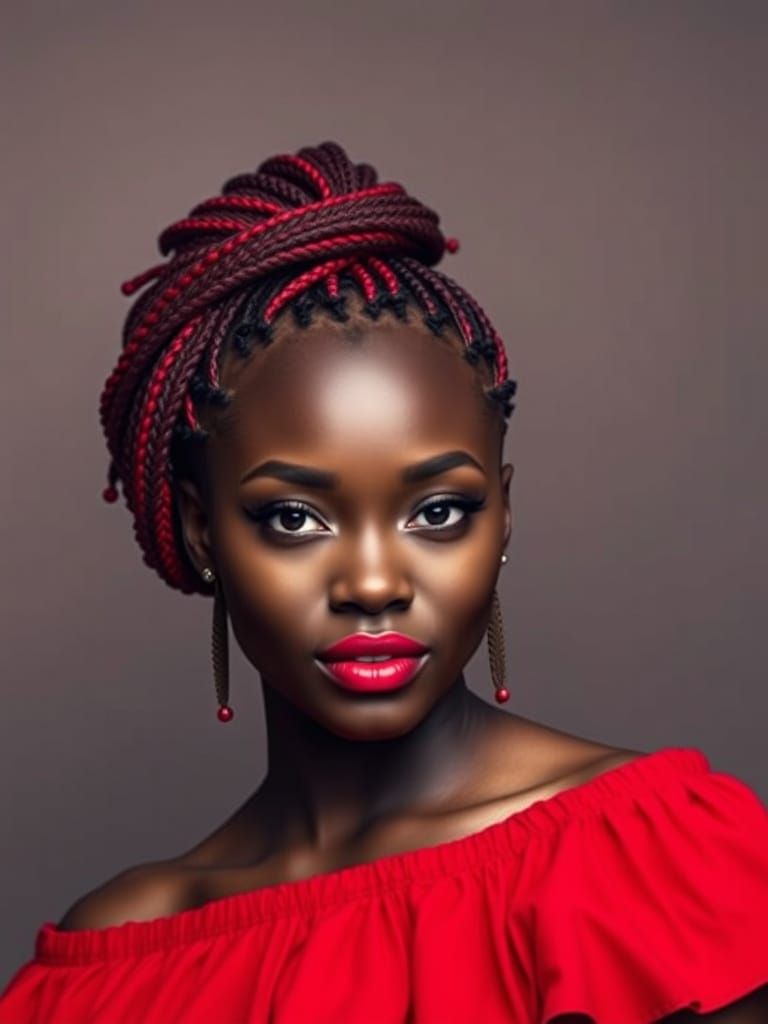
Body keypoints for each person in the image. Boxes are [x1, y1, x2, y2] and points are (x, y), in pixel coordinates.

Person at [1, 141, 766, 1023]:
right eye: (294, 518)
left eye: (439, 512)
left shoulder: (646, 865)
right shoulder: (108, 972)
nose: (374, 582)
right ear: (200, 528)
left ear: (503, 516)